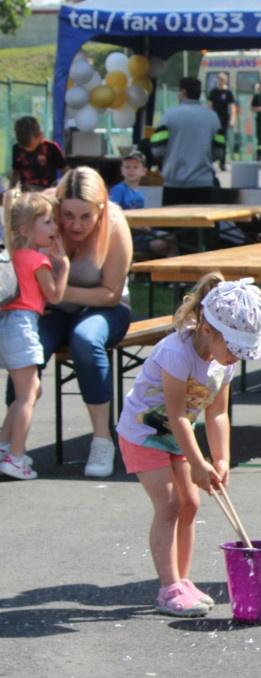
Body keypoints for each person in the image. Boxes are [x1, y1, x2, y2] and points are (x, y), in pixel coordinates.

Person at [116, 274, 261, 617]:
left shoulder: (223, 361)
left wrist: (222, 459)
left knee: (190, 504)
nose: (236, 357)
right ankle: (169, 589)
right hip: (143, 432)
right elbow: (176, 416)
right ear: (208, 330)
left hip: (174, 434)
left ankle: (182, 582)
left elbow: (218, 413)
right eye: (233, 348)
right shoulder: (177, 353)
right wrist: (198, 463)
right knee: (170, 505)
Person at [4, 167, 134, 478]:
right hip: (50, 310)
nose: (75, 225)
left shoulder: (115, 225)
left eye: (86, 216)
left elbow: (110, 294)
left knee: (85, 339)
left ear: (101, 209)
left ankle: (102, 439)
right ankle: (9, 444)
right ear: (57, 206)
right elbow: (11, 243)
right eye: (68, 215)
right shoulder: (42, 213)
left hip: (105, 309)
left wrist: (54, 292)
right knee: (25, 346)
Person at [0, 188, 69, 480]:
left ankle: (5, 445)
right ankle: (16, 457)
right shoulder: (37, 260)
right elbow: (55, 296)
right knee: (27, 395)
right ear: (26, 229)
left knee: (32, 390)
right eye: (48, 222)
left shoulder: (12, 255)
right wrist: (63, 266)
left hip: (7, 322)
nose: (55, 227)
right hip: (23, 325)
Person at [149, 77, 223, 206]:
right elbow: (219, 151)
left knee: (172, 219)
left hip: (174, 184)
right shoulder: (213, 117)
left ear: (183, 92)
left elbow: (157, 150)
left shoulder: (169, 115)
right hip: (203, 184)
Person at [108, 151, 176, 258]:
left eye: (135, 167)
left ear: (144, 171)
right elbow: (111, 214)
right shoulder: (118, 190)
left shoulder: (140, 195)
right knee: (166, 241)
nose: (131, 170)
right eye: (127, 167)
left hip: (141, 234)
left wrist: (145, 227)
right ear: (122, 170)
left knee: (170, 237)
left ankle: (170, 267)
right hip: (126, 237)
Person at [9, 116, 66, 191]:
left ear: (40, 136)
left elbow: (65, 170)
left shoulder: (52, 148)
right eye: (23, 146)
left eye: (31, 145)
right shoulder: (16, 149)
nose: (28, 149)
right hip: (27, 194)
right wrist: (10, 189)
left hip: (48, 193)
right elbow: (15, 172)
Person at [207, 72, 237, 170]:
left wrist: (232, 119)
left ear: (226, 81)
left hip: (224, 120)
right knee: (212, 141)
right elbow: (210, 106)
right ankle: (211, 163)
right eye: (219, 79)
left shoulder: (228, 93)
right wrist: (209, 118)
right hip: (214, 119)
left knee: (223, 142)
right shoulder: (213, 92)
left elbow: (232, 107)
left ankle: (222, 163)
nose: (220, 81)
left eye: (222, 80)